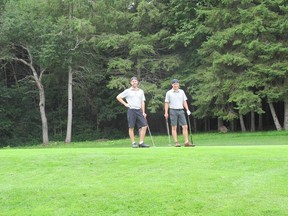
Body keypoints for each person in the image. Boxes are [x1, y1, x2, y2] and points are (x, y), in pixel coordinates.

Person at [116, 76, 149, 148]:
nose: (134, 82)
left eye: (135, 81)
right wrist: (125, 104)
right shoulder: (128, 91)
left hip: (139, 110)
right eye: (133, 81)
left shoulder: (141, 91)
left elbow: (142, 102)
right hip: (131, 110)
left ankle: (141, 142)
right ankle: (133, 143)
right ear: (131, 83)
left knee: (144, 126)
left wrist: (143, 112)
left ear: (137, 82)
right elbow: (118, 97)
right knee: (131, 127)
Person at [164, 79, 195, 147]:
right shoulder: (169, 93)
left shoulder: (182, 92)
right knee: (174, 127)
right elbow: (166, 103)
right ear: (172, 85)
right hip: (172, 110)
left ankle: (186, 142)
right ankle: (176, 142)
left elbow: (184, 101)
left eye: (177, 84)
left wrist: (187, 109)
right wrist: (166, 112)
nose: (175, 85)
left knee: (185, 126)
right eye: (174, 84)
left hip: (181, 110)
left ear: (178, 84)